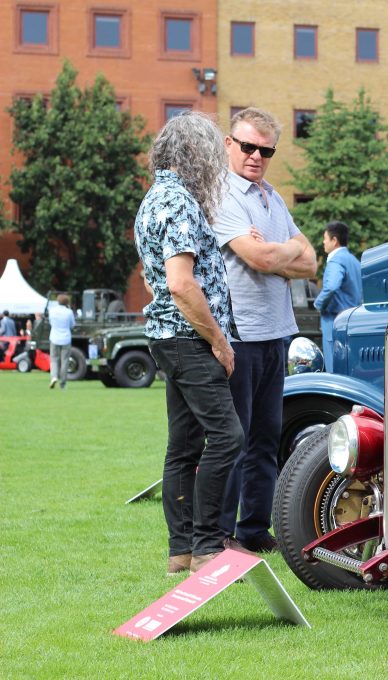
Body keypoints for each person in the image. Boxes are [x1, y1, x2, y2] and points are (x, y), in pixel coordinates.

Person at [134, 111, 245, 575]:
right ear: (197, 155)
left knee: (183, 445)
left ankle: (180, 552)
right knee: (227, 436)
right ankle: (205, 547)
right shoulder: (179, 202)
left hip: (166, 338)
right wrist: (219, 341)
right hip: (188, 338)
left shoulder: (152, 199)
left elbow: (151, 277)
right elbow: (181, 284)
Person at [212, 107, 316, 553]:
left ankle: (253, 530)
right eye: (248, 146)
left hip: (276, 333)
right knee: (233, 440)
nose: (256, 156)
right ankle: (217, 536)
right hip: (238, 335)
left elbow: (310, 262)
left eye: (266, 150)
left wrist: (283, 250)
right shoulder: (221, 194)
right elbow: (261, 261)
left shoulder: (271, 195)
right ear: (229, 144)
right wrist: (283, 254)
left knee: (266, 438)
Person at [314, 221, 362, 373]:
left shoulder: (336, 259)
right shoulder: (354, 261)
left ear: (334, 241)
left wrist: (319, 304)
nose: (323, 242)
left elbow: (331, 286)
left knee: (334, 367)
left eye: (325, 238)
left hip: (334, 320)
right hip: (353, 319)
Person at [47, 295, 76, 389]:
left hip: (54, 337)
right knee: (65, 361)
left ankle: (54, 377)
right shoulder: (69, 312)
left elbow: (50, 322)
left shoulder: (52, 311)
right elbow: (72, 325)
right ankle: (63, 383)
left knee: (54, 360)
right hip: (66, 338)